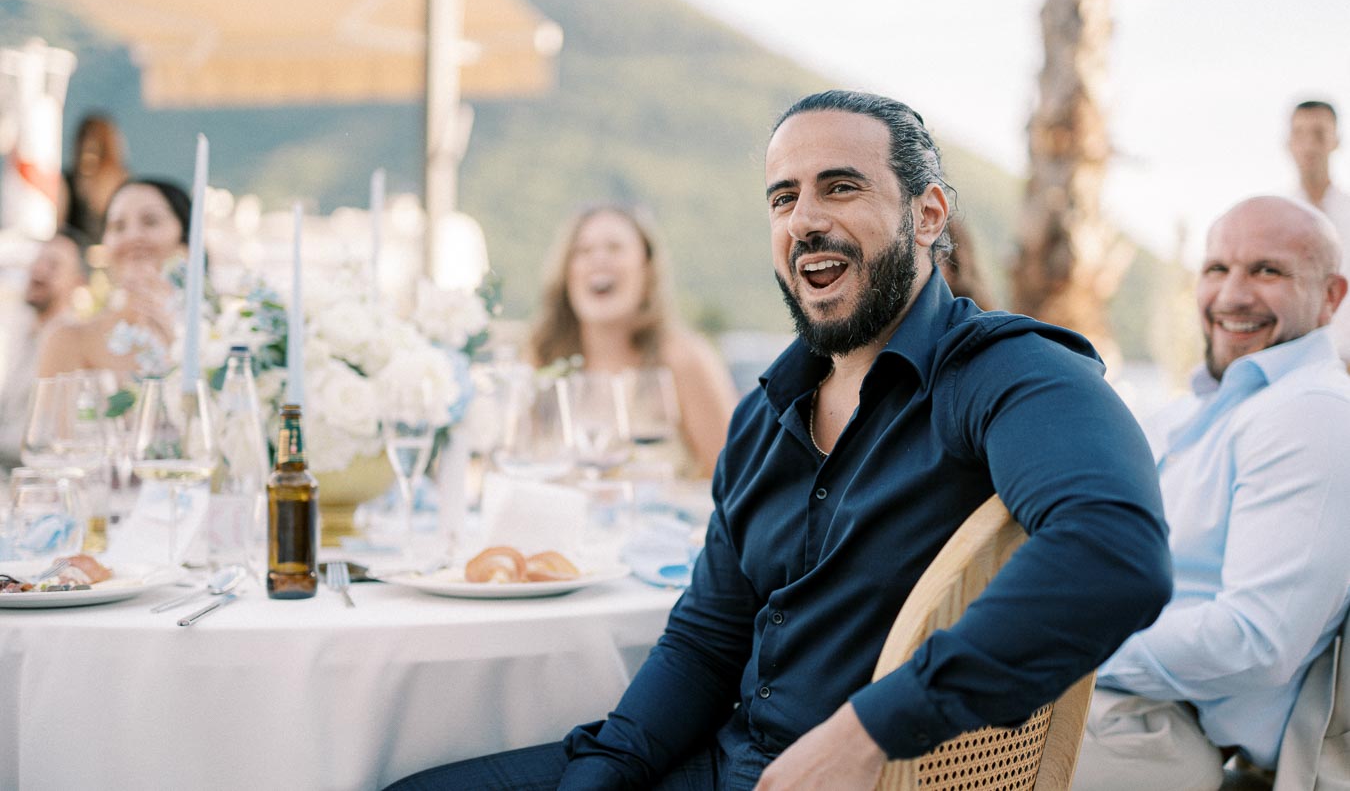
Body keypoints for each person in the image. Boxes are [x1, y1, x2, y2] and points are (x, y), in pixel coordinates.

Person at [389, 90, 1172, 791]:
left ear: (927, 214)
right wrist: (601, 772)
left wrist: (869, 733)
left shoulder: (1007, 370)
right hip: (724, 762)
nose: (805, 220)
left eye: (840, 186)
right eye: (782, 198)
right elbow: (705, 639)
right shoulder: (764, 413)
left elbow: (1115, 551)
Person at [1072, 196, 1350, 791]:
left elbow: (1257, 641)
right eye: (1217, 269)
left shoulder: (1308, 413)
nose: (1231, 296)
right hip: (1106, 696)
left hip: (1153, 724)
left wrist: (1057, 645)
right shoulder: (1201, 410)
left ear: (1331, 297)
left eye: (1267, 271)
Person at [527, 203, 738, 479]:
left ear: (647, 268)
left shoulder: (684, 358)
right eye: (583, 251)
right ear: (566, 272)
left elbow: (739, 482)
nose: (598, 260)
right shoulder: (542, 356)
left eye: (614, 248)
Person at [37, 177, 190, 379]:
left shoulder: (219, 341)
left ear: (186, 239)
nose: (133, 236)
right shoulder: (68, 339)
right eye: (118, 226)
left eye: (150, 221)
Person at [0, 229, 89, 481]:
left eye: (53, 265)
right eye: (37, 261)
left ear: (77, 282)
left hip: (32, 485)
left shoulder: (74, 346)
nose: (38, 271)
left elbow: (52, 441)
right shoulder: (17, 331)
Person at [1287, 100, 1350, 361]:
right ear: (1288, 142)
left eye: (1319, 133)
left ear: (1336, 140)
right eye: (1300, 133)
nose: (1310, 145)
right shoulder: (1275, 218)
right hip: (1293, 365)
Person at [61, 113, 130, 241]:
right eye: (84, 148)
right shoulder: (68, 181)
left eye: (94, 151)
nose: (88, 155)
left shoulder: (123, 181)